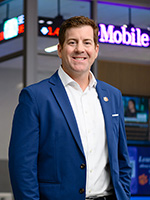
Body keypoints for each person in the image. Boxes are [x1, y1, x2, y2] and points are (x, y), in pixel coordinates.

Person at [9, 16, 131, 200]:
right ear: (60, 49)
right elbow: (22, 167)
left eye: (87, 42)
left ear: (96, 50)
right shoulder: (35, 97)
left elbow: (122, 158)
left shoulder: (112, 96)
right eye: (72, 42)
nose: (80, 49)